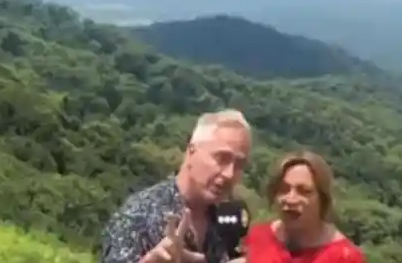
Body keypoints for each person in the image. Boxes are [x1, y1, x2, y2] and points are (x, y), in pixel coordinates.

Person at [101, 109, 253, 263]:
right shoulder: (138, 217)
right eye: (222, 158)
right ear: (191, 151)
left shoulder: (226, 223)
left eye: (240, 165)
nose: (230, 173)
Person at [244, 151, 364, 263]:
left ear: (323, 198)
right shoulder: (258, 237)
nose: (291, 199)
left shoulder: (344, 257)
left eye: (304, 191)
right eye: (284, 189)